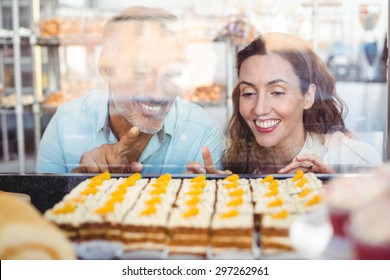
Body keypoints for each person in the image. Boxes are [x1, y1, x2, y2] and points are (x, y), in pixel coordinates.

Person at [36, 6, 224, 174]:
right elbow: (41, 208)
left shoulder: (202, 132)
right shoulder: (65, 123)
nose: (158, 94)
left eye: (171, 74)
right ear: (106, 69)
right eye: (140, 73)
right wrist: (79, 179)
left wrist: (193, 195)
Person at [187, 32, 382, 174]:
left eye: (277, 92)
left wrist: (335, 191)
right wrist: (218, 193)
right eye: (249, 93)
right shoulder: (235, 162)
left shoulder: (351, 158)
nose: (260, 109)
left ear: (308, 96)